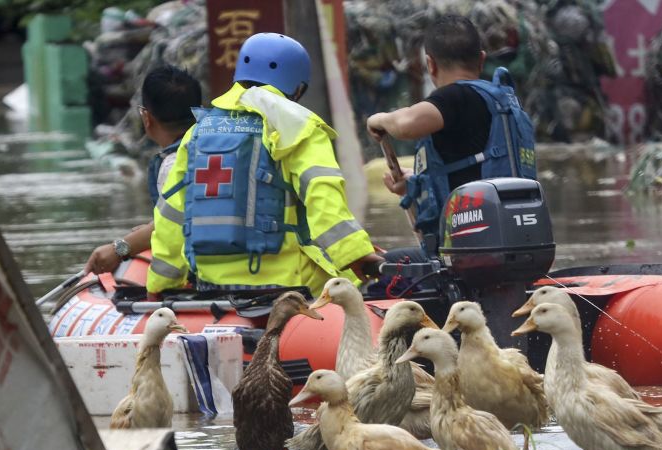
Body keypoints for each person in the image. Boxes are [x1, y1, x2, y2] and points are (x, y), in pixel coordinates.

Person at [145, 33, 383, 299]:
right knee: (362, 284)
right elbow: (324, 199)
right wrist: (358, 256)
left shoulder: (198, 132)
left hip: (212, 284)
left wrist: (160, 286)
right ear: (298, 89)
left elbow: (170, 216)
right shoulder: (299, 126)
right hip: (289, 282)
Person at [365, 14, 537, 251]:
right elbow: (465, 172)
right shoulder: (500, 102)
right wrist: (412, 186)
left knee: (386, 268)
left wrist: (378, 119)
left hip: (472, 250)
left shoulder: (455, 98)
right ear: (481, 59)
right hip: (519, 243)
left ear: (430, 64)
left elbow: (405, 125)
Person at [85, 65, 202, 275]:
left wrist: (118, 249)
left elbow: (171, 230)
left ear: (146, 118)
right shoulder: (218, 149)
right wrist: (150, 228)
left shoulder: (174, 163)